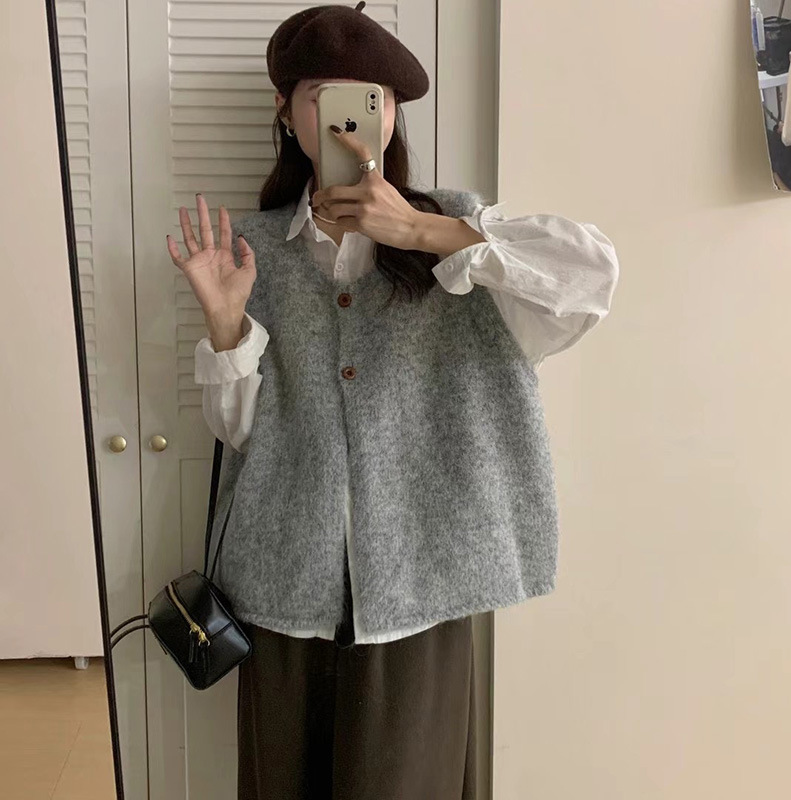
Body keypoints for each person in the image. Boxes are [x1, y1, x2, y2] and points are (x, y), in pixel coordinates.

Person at [166, 4, 620, 798]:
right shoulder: (247, 250)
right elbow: (241, 435)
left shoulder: (458, 228)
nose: (345, 117)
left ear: (393, 113)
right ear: (287, 113)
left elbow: (591, 277)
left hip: (423, 593)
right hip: (282, 594)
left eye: (368, 98)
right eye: (321, 96)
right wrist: (226, 323)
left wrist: (425, 233)